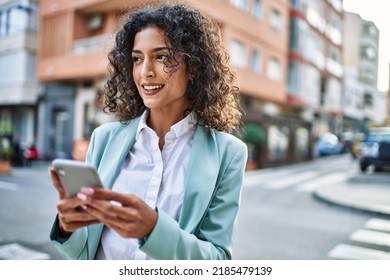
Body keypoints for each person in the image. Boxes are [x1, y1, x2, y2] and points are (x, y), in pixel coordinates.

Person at [48, 2, 247, 260]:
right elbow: (83, 252)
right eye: (137, 58)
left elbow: (218, 259)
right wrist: (68, 227)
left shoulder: (228, 154)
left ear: (194, 67)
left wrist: (154, 230)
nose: (145, 72)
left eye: (162, 56)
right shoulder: (104, 139)